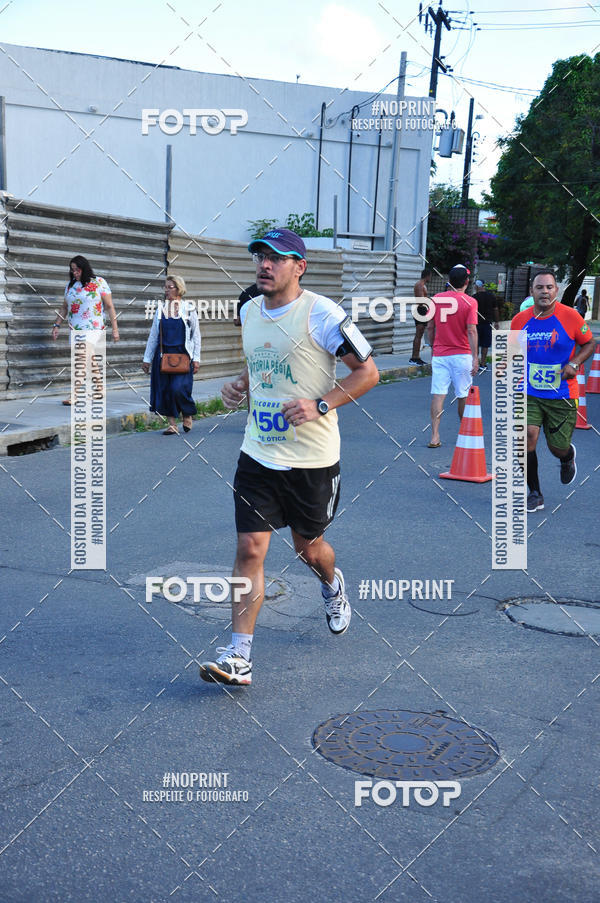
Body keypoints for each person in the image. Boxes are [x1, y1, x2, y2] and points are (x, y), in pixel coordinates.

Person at [199, 228, 379, 686]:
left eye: (277, 258)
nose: (265, 264)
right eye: (260, 256)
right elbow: (263, 355)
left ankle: (331, 586)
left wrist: (321, 404)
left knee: (308, 549)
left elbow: (368, 373)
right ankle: (239, 656)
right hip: (258, 452)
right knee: (249, 547)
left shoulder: (322, 314)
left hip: (312, 459)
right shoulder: (249, 309)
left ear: (299, 267)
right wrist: (242, 383)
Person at [511, 270, 595, 513]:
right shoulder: (520, 321)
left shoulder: (570, 316)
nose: (544, 292)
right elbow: (513, 353)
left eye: (549, 287)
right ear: (532, 291)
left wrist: (575, 363)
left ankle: (567, 457)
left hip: (562, 394)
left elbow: (589, 342)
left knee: (556, 447)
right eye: (540, 288)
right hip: (529, 392)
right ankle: (535, 493)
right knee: (526, 437)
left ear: (556, 291)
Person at [52, 255, 119, 404]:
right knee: (90, 360)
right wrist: (56, 325)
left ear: (85, 268)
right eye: (72, 270)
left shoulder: (99, 282)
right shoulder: (70, 286)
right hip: (75, 329)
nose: (75, 273)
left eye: (77, 270)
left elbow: (109, 306)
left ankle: (74, 395)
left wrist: (115, 329)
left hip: (93, 328)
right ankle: (100, 389)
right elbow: (64, 308)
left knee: (80, 359)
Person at [427, 264, 478, 448]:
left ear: (448, 282)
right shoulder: (470, 302)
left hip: (440, 354)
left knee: (438, 395)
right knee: (463, 395)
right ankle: (464, 435)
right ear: (467, 282)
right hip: (462, 354)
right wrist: (475, 357)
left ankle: (434, 436)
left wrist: (433, 347)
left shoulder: (436, 299)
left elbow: (430, 327)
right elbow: (471, 330)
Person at [142, 275, 201, 435]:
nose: (166, 290)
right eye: (165, 287)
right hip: (163, 357)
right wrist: (147, 359)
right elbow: (153, 336)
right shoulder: (160, 309)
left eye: (170, 287)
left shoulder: (188, 308)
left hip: (183, 356)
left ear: (178, 289)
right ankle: (172, 424)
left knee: (178, 389)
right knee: (166, 390)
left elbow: (196, 335)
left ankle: (187, 413)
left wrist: (196, 358)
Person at [473, 279, 499, 372]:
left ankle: (474, 363)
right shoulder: (491, 296)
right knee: (485, 345)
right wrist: (496, 322)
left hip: (475, 324)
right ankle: (483, 364)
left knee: (475, 344)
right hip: (487, 323)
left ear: (477, 286)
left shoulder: (474, 297)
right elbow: (495, 309)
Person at [409, 268, 431, 365]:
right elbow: (420, 301)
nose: (430, 278)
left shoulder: (423, 285)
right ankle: (414, 358)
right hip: (420, 310)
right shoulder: (419, 285)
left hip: (422, 310)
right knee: (418, 334)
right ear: (427, 276)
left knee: (420, 334)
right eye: (430, 276)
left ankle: (416, 356)